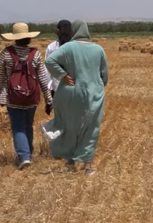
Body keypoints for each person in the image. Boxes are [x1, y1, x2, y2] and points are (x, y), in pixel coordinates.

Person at [44, 19, 108, 175]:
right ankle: (88, 166)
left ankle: (70, 160)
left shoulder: (68, 47)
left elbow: (49, 60)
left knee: (70, 124)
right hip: (94, 92)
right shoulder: (98, 49)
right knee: (91, 127)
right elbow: (104, 75)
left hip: (71, 91)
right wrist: (98, 85)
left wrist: (63, 75)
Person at [0, 22, 54, 170]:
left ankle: (24, 156)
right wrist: (48, 99)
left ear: (14, 38)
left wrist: (1, 95)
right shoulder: (35, 54)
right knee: (28, 125)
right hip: (31, 98)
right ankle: (29, 153)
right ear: (28, 37)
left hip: (13, 97)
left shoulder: (6, 53)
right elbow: (42, 78)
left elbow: (0, 77)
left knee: (18, 127)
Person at [44, 20, 73, 97]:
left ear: (58, 31)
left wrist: (49, 87)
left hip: (57, 87)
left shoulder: (52, 47)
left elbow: (47, 69)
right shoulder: (76, 46)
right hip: (74, 87)